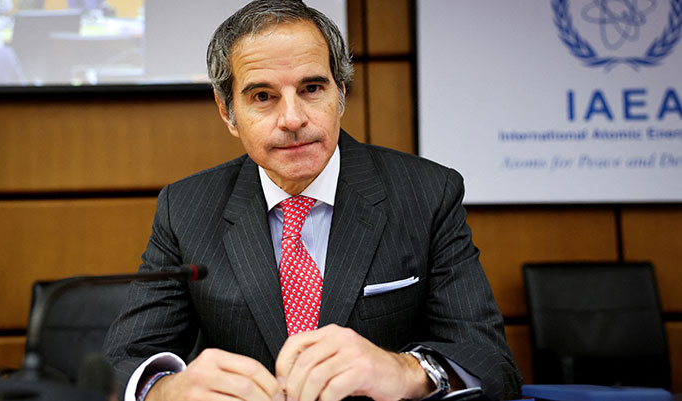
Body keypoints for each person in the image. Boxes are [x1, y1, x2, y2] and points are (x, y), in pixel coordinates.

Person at [103, 1, 522, 400]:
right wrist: (165, 391)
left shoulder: (428, 194)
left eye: (312, 88)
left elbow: (489, 361)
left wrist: (405, 372)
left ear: (339, 95)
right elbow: (124, 360)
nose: (292, 118)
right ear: (228, 112)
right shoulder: (187, 208)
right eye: (262, 96)